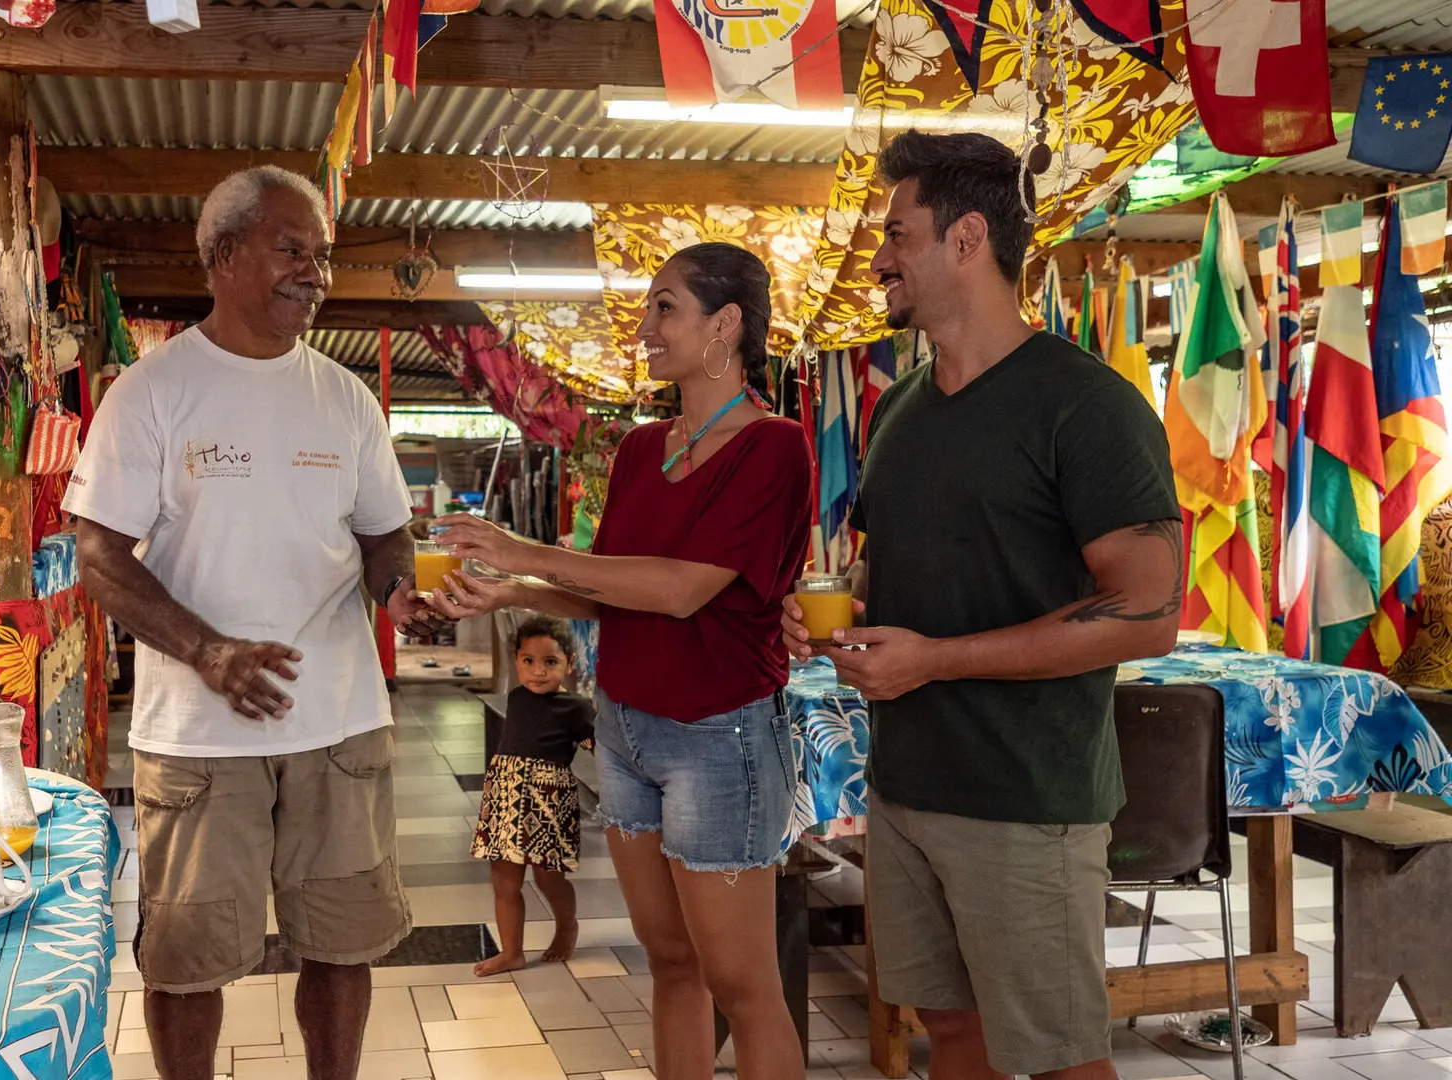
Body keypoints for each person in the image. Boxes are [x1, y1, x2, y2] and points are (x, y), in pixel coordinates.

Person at [783, 131, 1180, 1080]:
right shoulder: (902, 409)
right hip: (907, 786)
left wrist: (937, 659)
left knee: (1057, 1056)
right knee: (948, 1033)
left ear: (966, 239)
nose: (876, 257)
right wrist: (830, 617)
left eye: (895, 232)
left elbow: (1148, 613)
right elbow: (895, 578)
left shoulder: (1086, 407)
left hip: (1027, 799)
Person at [64, 165, 446, 1080]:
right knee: (188, 957)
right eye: (291, 249)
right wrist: (210, 652)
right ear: (224, 255)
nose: (314, 271)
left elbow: (385, 540)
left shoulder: (346, 398)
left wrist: (404, 595)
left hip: (342, 722)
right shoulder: (152, 392)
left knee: (343, 944)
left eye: (321, 256)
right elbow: (99, 555)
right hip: (199, 737)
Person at [428, 241, 813, 1080]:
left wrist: (526, 548)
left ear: (727, 325)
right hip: (627, 727)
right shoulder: (642, 450)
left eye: (663, 306)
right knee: (671, 964)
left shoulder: (774, 448)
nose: (642, 327)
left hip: (720, 736)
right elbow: (614, 592)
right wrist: (512, 589)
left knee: (744, 986)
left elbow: (680, 590)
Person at [472, 616, 594, 978]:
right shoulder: (516, 697)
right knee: (504, 880)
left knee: (548, 878)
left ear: (570, 663)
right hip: (507, 795)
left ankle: (567, 926)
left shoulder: (576, 708)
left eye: (550, 662)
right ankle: (512, 953)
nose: (538, 672)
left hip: (548, 802)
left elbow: (598, 747)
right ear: (517, 660)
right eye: (529, 661)